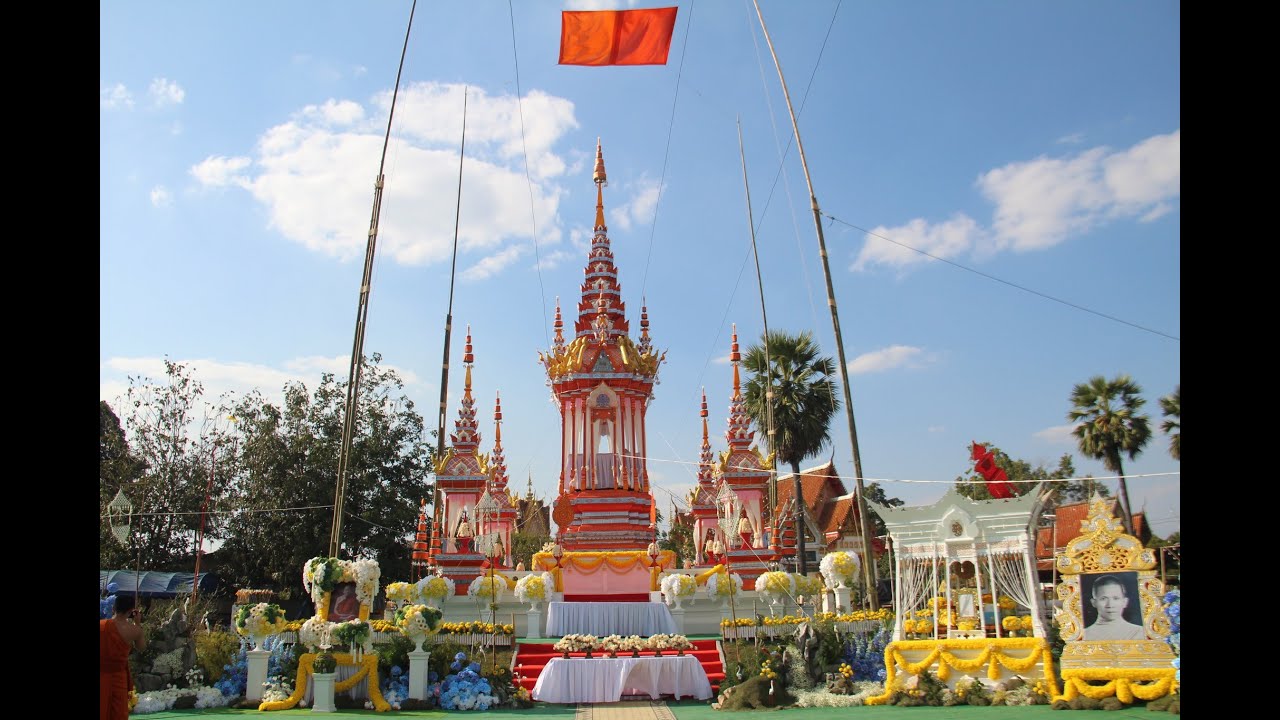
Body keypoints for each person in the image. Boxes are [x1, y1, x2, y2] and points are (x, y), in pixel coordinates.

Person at [101, 594, 146, 720]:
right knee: (118, 711)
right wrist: (137, 623)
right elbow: (141, 648)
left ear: (113, 608)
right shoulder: (134, 630)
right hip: (118, 676)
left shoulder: (101, 625)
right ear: (131, 611)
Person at [1084, 575, 1146, 640]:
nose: (1110, 605)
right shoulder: (1084, 635)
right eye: (1103, 598)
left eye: (1116, 598)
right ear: (1094, 603)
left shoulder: (1139, 633)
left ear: (1125, 602)